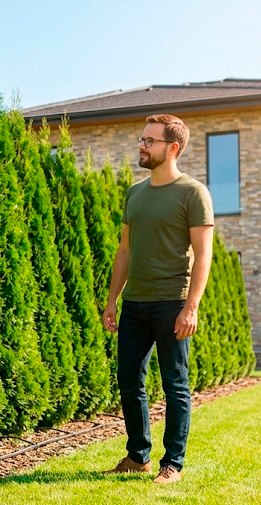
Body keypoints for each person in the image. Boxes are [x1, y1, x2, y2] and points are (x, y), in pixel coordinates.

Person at [101, 114, 214, 484]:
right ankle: (138, 456)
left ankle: (173, 464)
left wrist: (190, 307)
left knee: (175, 385)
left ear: (173, 148)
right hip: (135, 303)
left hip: (172, 303)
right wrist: (113, 299)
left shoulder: (193, 192)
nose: (142, 145)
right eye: (142, 139)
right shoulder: (135, 193)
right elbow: (124, 251)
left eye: (150, 141)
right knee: (129, 380)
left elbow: (203, 254)